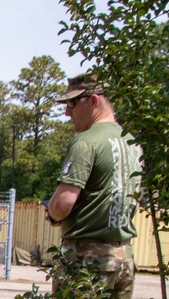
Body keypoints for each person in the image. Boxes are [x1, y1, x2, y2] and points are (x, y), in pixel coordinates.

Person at [47, 71, 143, 298]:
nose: (66, 112)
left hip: (87, 260)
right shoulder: (133, 143)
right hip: (124, 258)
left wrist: (51, 214)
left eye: (72, 103)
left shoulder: (86, 141)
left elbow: (62, 205)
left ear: (93, 100)